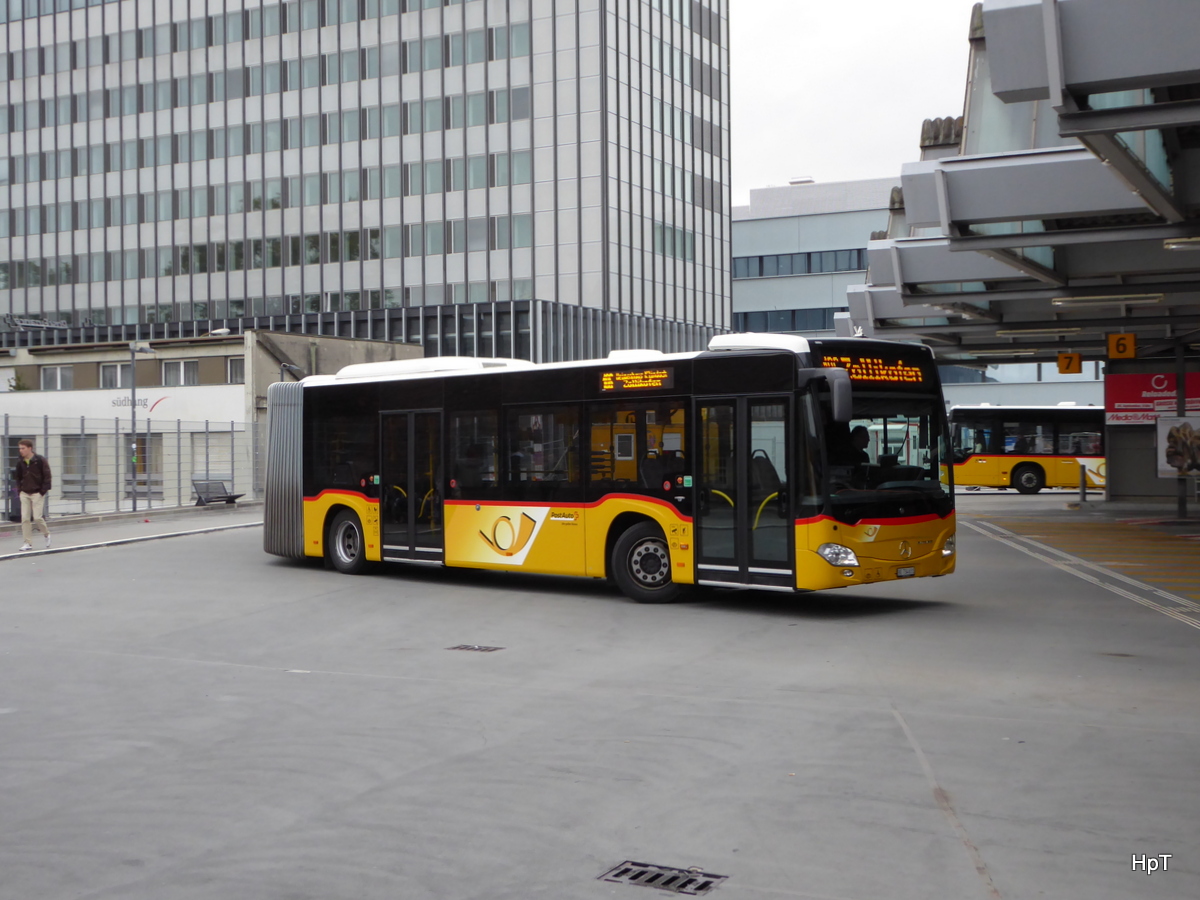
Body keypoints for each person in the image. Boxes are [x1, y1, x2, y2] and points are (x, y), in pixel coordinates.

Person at [13, 439, 51, 551]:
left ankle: (46, 534)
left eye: (23, 448)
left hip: (37, 493)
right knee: (25, 518)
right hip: (25, 492)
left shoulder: (39, 460)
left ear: (30, 448)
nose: (21, 451)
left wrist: (42, 491)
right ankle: (27, 543)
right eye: (20, 448)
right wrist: (20, 490)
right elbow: (18, 477)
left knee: (37, 517)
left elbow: (47, 476)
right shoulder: (20, 462)